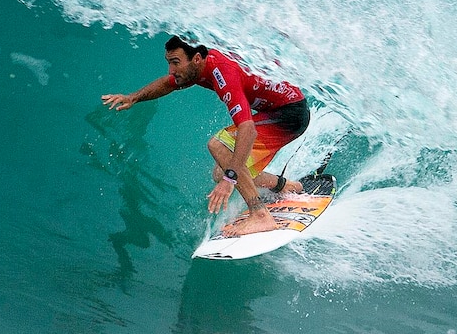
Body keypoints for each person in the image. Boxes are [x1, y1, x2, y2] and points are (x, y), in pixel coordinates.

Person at [101, 36, 310, 236]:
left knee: (219, 146)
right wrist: (133, 98)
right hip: (277, 110)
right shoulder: (199, 67)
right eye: (169, 63)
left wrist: (230, 181)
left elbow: (247, 129)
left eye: (175, 63)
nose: (171, 70)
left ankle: (260, 214)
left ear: (197, 59)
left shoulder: (223, 74)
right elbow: (168, 83)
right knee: (222, 170)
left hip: (289, 114)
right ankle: (286, 186)